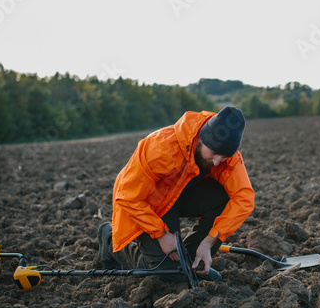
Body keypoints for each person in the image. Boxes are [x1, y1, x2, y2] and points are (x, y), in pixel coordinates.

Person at [98, 106, 255, 282]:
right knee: (167, 275)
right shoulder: (160, 147)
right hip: (149, 201)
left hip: (181, 194)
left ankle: (190, 262)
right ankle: (109, 240)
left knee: (226, 198)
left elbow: (244, 197)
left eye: (224, 157)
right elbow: (128, 195)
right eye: (214, 153)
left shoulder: (226, 154)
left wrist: (209, 241)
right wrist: (161, 235)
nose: (217, 162)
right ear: (202, 139)